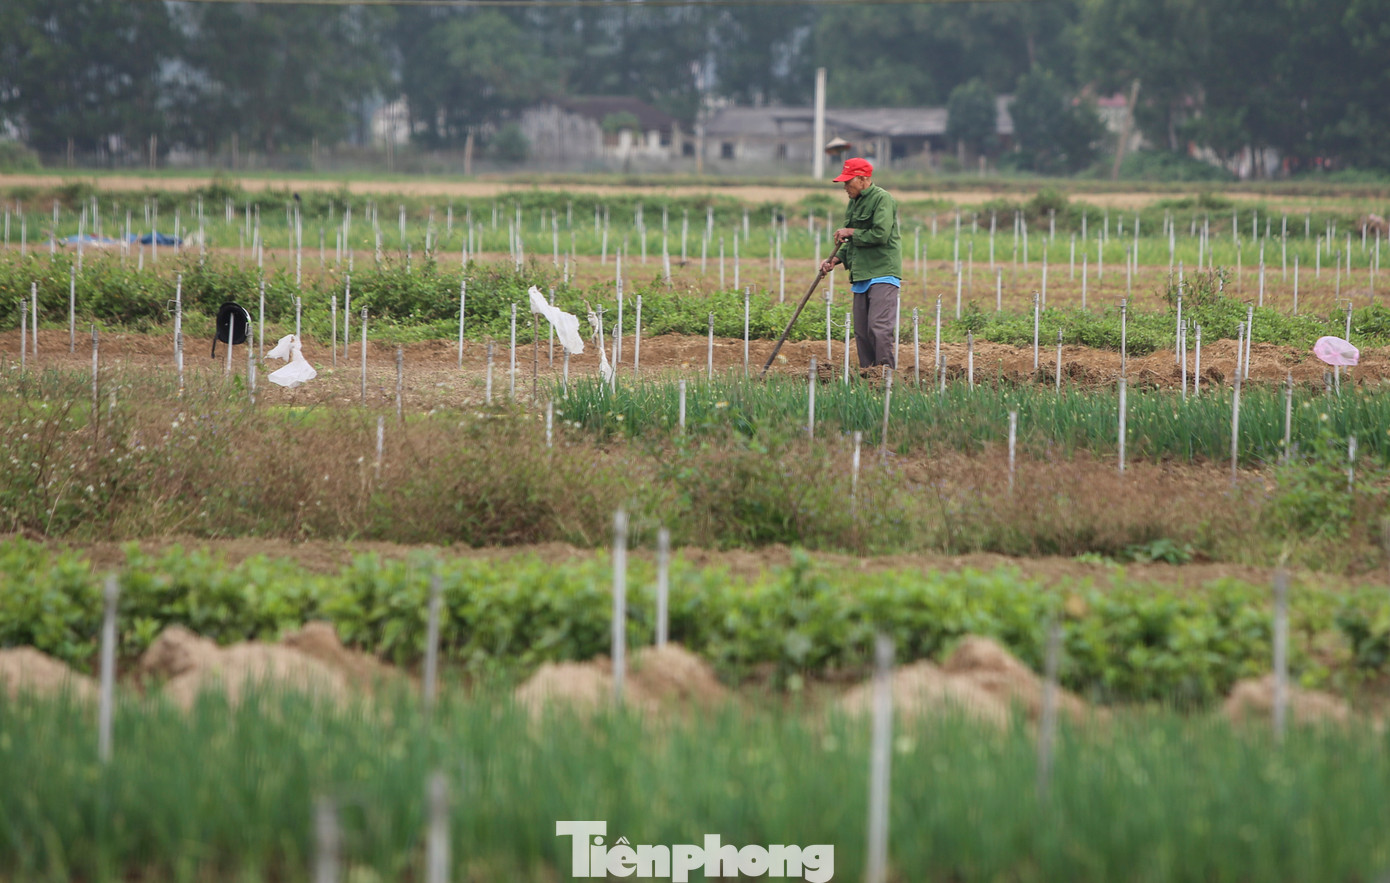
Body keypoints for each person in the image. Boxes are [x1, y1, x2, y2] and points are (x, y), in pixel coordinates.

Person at [820, 157, 902, 376]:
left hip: (883, 271)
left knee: (878, 327)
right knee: (862, 332)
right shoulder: (854, 202)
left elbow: (880, 234)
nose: (845, 187)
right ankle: (869, 375)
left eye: (849, 182)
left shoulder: (882, 199)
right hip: (862, 273)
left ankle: (885, 376)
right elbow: (850, 243)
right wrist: (835, 260)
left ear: (864, 179)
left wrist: (851, 232)